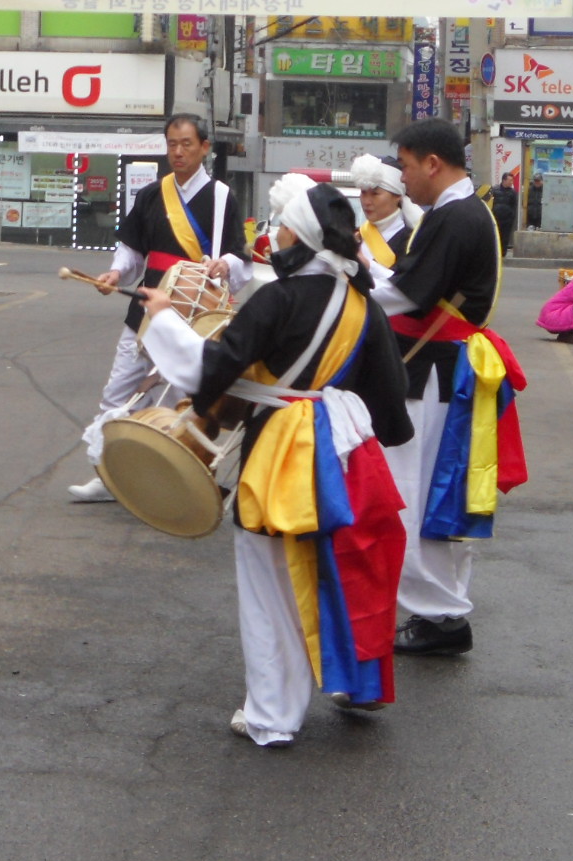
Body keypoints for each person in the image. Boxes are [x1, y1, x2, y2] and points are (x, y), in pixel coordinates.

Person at [137, 176, 412, 744]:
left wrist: (163, 316)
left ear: (303, 236)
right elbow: (390, 400)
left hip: (277, 455)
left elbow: (207, 369)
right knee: (340, 575)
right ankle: (353, 681)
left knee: (268, 586)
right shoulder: (363, 306)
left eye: (283, 225)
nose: (275, 234)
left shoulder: (277, 298)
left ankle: (272, 714)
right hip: (342, 457)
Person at [369, 119, 527, 657]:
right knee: (442, 494)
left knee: (417, 496)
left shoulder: (456, 215)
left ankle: (441, 615)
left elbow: (405, 295)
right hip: (446, 368)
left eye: (407, 166)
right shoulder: (459, 211)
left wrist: (343, 284)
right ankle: (443, 608)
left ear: (432, 163)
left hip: (434, 371)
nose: (402, 178)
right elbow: (408, 285)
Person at [70, 114, 250, 503]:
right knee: (118, 391)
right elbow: (133, 250)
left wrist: (225, 265)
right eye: (172, 143)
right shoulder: (152, 194)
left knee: (174, 401)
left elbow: (241, 257)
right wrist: (117, 273)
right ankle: (107, 474)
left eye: (186, 144)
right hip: (147, 306)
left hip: (193, 316)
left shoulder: (222, 198)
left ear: (204, 147)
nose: (178, 152)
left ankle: (164, 483)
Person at [349, 153, 423, 268]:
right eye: (363, 193)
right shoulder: (355, 237)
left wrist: (369, 266)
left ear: (397, 196)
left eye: (375, 194)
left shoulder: (413, 242)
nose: (367, 201)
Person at [490, 178, 518, 257]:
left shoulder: (512, 192)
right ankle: (495, 252)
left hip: (507, 219)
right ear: (504, 180)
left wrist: (511, 217)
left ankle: (503, 254)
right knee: (496, 236)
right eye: (510, 180)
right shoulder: (495, 190)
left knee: (505, 237)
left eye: (512, 180)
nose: (511, 182)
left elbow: (514, 206)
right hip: (496, 218)